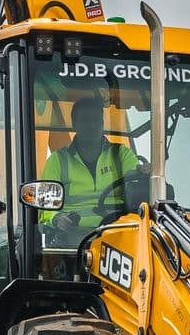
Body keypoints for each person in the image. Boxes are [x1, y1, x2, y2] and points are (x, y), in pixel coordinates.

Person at [41, 98, 140, 241]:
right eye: (85, 120)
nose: (91, 125)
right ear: (74, 124)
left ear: (102, 123)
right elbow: (45, 205)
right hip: (72, 238)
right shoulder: (57, 160)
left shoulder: (122, 154)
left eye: (96, 120)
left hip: (117, 231)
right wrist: (56, 217)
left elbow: (136, 183)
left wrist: (144, 173)